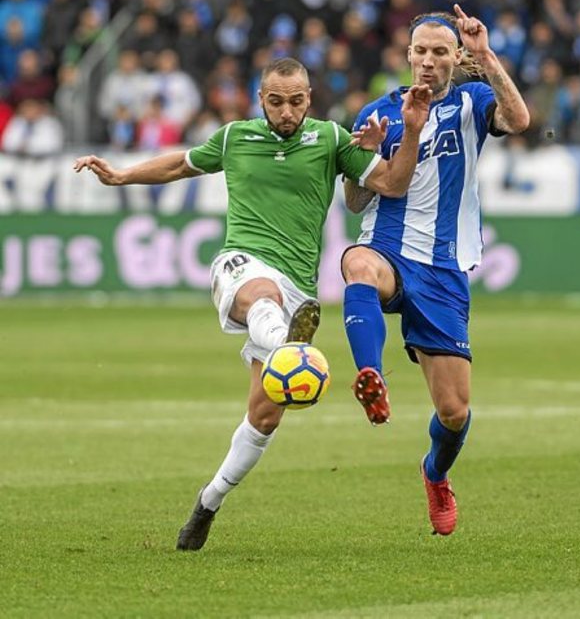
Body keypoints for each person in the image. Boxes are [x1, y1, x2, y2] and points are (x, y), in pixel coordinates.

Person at [74, 57, 432, 550]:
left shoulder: (331, 139)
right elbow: (180, 164)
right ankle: (288, 344)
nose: (287, 112)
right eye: (276, 102)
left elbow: (391, 184)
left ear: (309, 99)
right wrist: (121, 176)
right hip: (241, 263)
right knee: (262, 297)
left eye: (297, 101)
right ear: (260, 99)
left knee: (264, 418)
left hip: (298, 287)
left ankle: (209, 501)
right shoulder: (234, 138)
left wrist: (408, 133)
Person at [341, 5, 529, 536]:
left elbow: (519, 121)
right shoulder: (378, 112)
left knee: (454, 412)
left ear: (455, 57)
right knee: (357, 264)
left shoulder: (473, 101)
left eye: (440, 52)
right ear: (407, 55)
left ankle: (435, 473)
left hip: (444, 267)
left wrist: (487, 57)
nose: (428, 60)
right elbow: (355, 202)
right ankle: (371, 374)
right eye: (420, 51)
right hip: (388, 248)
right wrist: (363, 161)